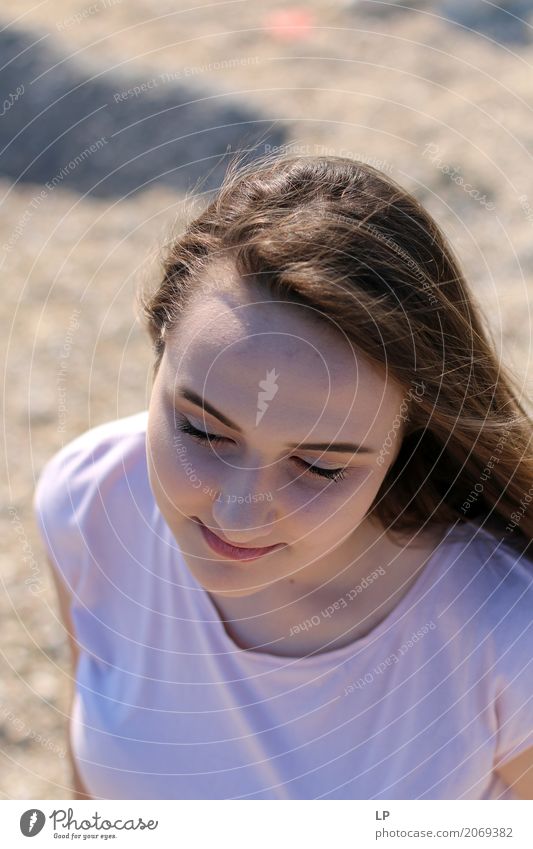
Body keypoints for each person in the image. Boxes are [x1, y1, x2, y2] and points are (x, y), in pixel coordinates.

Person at [33, 153, 533, 800]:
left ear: (407, 436)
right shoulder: (92, 500)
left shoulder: (504, 630)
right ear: (158, 348)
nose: (237, 513)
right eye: (203, 431)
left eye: (319, 465)